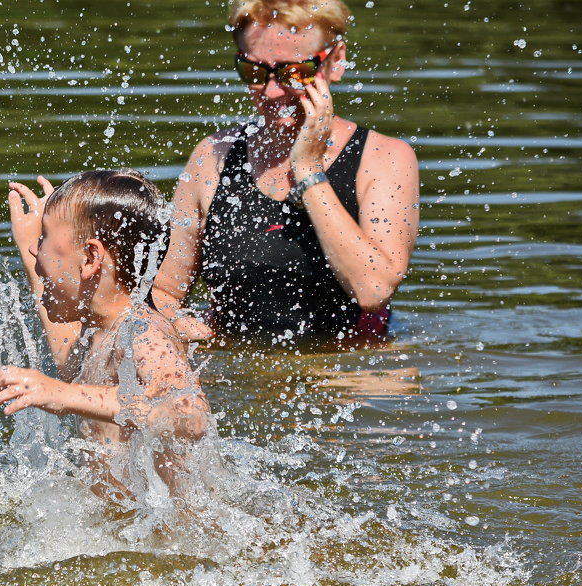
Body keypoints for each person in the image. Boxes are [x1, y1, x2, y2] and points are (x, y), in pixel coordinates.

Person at [152, 0, 420, 345]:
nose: (273, 90)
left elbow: (374, 289)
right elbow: (163, 291)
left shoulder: (385, 158)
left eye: (295, 73)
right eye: (255, 72)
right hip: (240, 369)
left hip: (350, 373)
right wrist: (184, 328)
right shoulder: (213, 156)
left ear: (335, 61)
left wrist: (307, 170)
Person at [0, 169, 210, 497]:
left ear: (91, 257)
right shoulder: (101, 331)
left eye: (45, 238)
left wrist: (61, 395)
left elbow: (190, 415)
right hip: (130, 525)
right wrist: (28, 245)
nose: (36, 249)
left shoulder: (144, 333)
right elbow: (69, 360)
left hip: (175, 537)